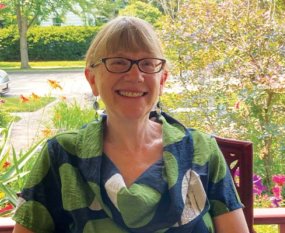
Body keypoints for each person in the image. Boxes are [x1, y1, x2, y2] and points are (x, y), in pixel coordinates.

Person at [12, 16, 249, 233]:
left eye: (147, 64)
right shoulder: (62, 156)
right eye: (118, 62)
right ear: (92, 79)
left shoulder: (202, 150)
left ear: (162, 79)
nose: (135, 76)